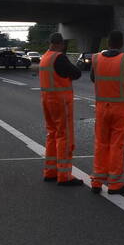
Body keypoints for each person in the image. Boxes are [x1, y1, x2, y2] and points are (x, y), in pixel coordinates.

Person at [89, 30, 124, 195]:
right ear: (122, 43)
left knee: (101, 144)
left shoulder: (96, 59)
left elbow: (93, 78)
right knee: (116, 146)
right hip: (119, 110)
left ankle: (96, 182)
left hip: (101, 109)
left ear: (108, 43)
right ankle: (114, 184)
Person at [39, 33, 83, 186]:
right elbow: (76, 73)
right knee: (64, 135)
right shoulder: (59, 57)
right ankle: (64, 175)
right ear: (61, 44)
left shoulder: (44, 57)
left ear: (50, 43)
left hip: (46, 99)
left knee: (52, 134)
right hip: (60, 100)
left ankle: (50, 171)